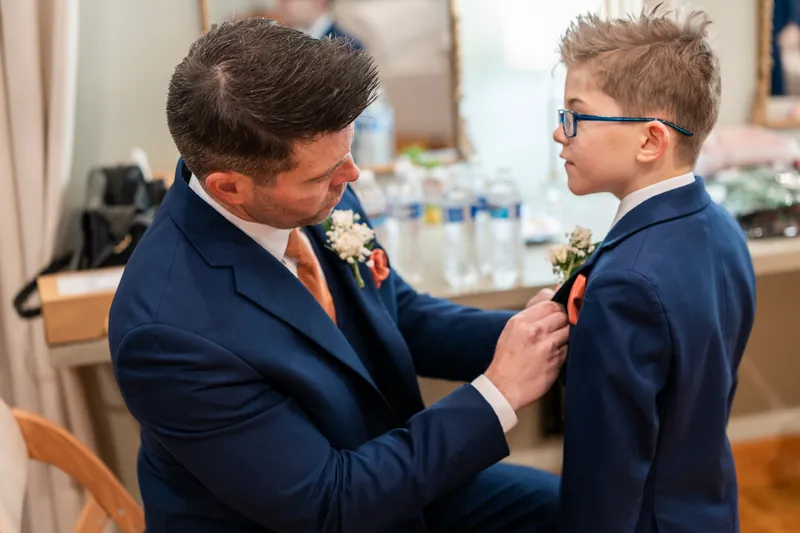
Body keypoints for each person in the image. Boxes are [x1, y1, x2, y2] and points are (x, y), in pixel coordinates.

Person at [108, 19, 568, 533]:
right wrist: (499, 392)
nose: (352, 177)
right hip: (322, 511)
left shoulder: (319, 185)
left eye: (348, 153)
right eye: (324, 173)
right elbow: (327, 503)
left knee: (584, 507)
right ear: (229, 187)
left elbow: (397, 314)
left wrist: (537, 334)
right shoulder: (167, 333)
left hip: (395, 475)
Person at [550, 7, 756, 533]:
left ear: (650, 141)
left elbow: (605, 471)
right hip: (706, 503)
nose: (559, 132)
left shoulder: (626, 283)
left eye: (576, 114)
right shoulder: (720, 228)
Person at [275, 0, 364, 50]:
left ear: (320, 2)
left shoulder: (348, 47)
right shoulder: (284, 40)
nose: (279, 5)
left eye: (287, 1)